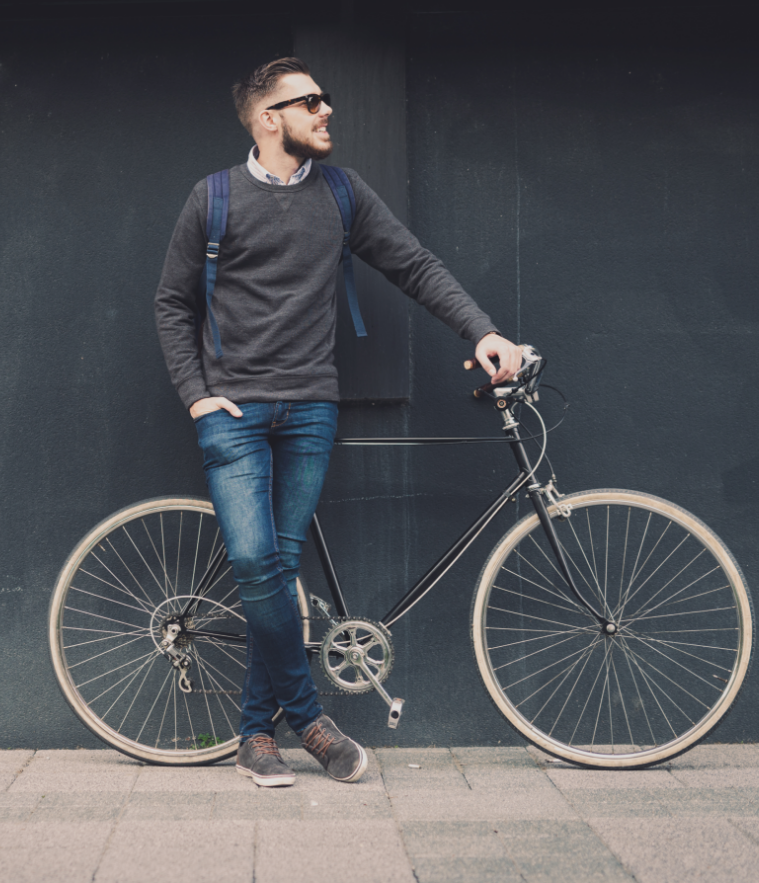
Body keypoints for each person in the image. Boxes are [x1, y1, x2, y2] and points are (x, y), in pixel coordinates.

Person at [154, 57, 524, 788]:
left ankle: (254, 736)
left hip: (310, 410)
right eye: (310, 101)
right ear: (269, 119)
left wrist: (480, 329)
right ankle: (311, 721)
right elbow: (171, 303)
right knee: (258, 564)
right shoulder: (214, 199)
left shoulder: (343, 194)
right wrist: (197, 395)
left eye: (327, 99)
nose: (327, 111)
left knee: (279, 572)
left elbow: (414, 266)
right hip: (232, 410)